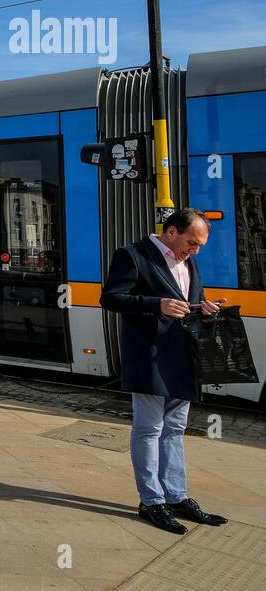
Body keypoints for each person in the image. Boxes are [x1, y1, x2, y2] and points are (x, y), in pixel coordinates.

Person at [100, 208, 229, 534]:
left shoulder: (188, 261)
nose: (195, 250)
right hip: (150, 358)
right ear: (171, 231)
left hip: (182, 357)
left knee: (174, 429)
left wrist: (204, 305)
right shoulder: (132, 255)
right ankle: (151, 501)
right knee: (149, 429)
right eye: (191, 242)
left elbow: (188, 300)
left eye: (199, 245)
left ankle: (176, 496)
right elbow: (111, 298)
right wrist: (156, 304)